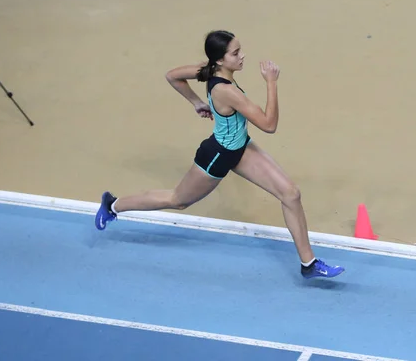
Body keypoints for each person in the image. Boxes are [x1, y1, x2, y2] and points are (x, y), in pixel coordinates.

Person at [94, 30, 345, 279]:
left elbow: (172, 76)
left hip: (241, 148)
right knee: (178, 200)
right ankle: (113, 205)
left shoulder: (210, 69)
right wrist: (271, 82)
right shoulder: (226, 91)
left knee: (290, 194)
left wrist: (196, 102)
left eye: (240, 50)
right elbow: (269, 125)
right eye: (235, 53)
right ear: (221, 60)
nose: (242, 56)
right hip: (218, 155)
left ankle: (308, 263)